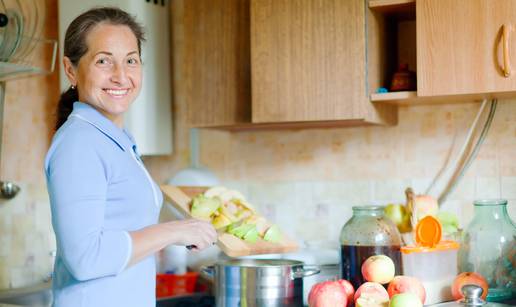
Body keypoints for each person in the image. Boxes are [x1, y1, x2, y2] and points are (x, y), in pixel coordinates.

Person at [44, 7, 217, 307]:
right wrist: (173, 231)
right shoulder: (79, 143)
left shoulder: (115, 142)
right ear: (71, 70)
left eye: (131, 60)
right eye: (103, 61)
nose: (121, 75)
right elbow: (85, 258)